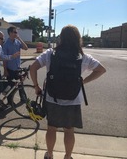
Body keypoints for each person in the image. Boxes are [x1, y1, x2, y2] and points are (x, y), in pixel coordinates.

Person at [29, 25, 106, 159]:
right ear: (78, 39)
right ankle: (67, 156)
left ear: (61, 38)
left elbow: (33, 68)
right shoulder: (83, 57)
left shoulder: (50, 54)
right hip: (73, 98)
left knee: (51, 128)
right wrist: (83, 81)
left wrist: (36, 86)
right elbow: (101, 70)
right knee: (69, 131)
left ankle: (50, 154)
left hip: (52, 98)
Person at [2, 26, 28, 104]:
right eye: (15, 32)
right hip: (10, 69)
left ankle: (23, 98)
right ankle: (10, 102)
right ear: (10, 33)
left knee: (20, 84)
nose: (16, 34)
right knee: (11, 86)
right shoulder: (6, 44)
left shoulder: (17, 42)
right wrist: (5, 70)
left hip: (18, 67)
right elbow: (4, 58)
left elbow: (26, 48)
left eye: (17, 32)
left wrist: (19, 38)